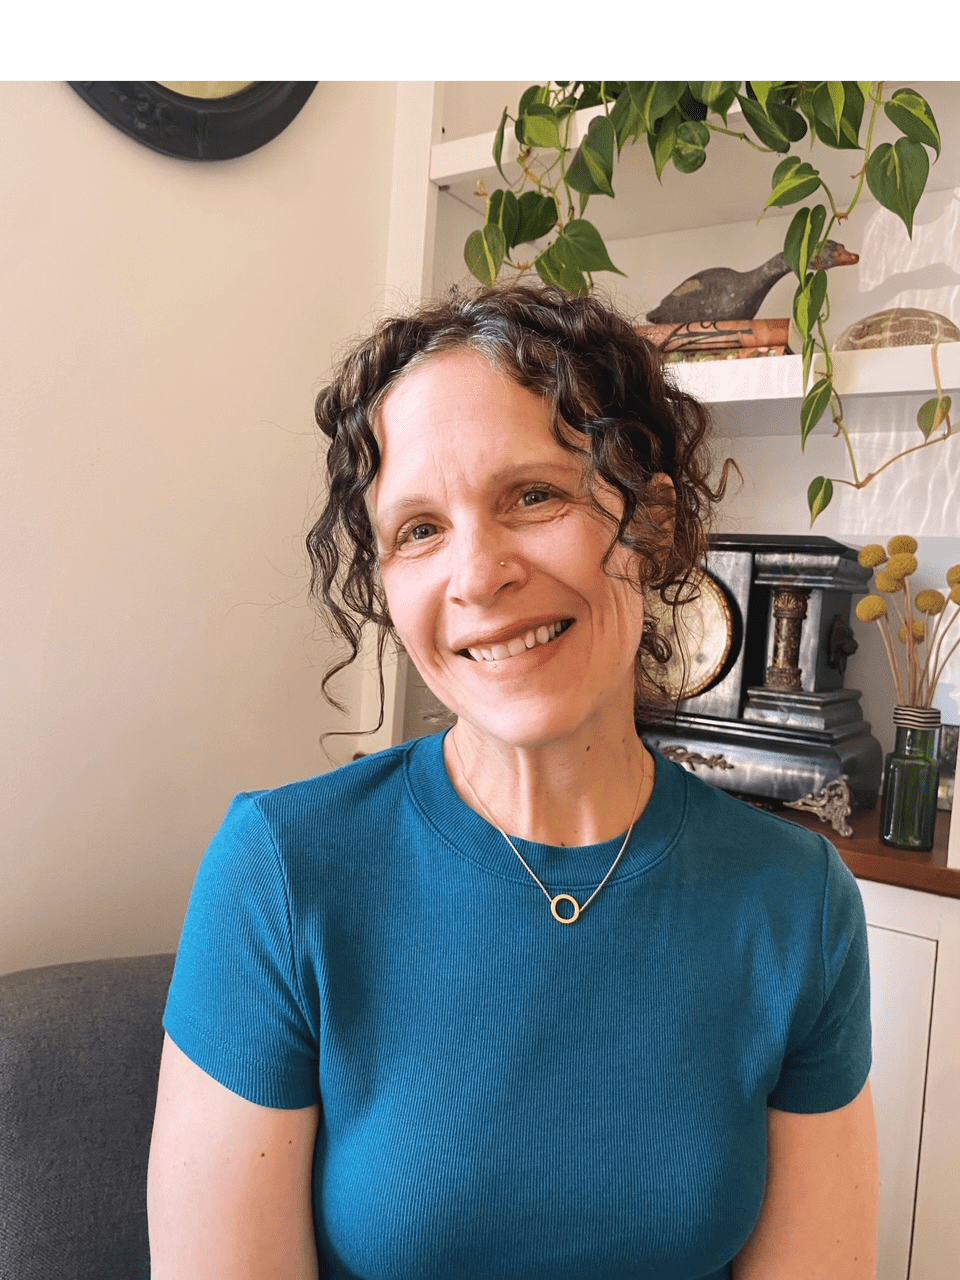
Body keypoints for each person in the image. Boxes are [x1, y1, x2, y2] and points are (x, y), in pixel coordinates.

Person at [147, 281, 879, 1279]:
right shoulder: (280, 872)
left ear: (652, 525)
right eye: (417, 530)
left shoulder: (796, 902)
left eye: (532, 495)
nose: (478, 574)